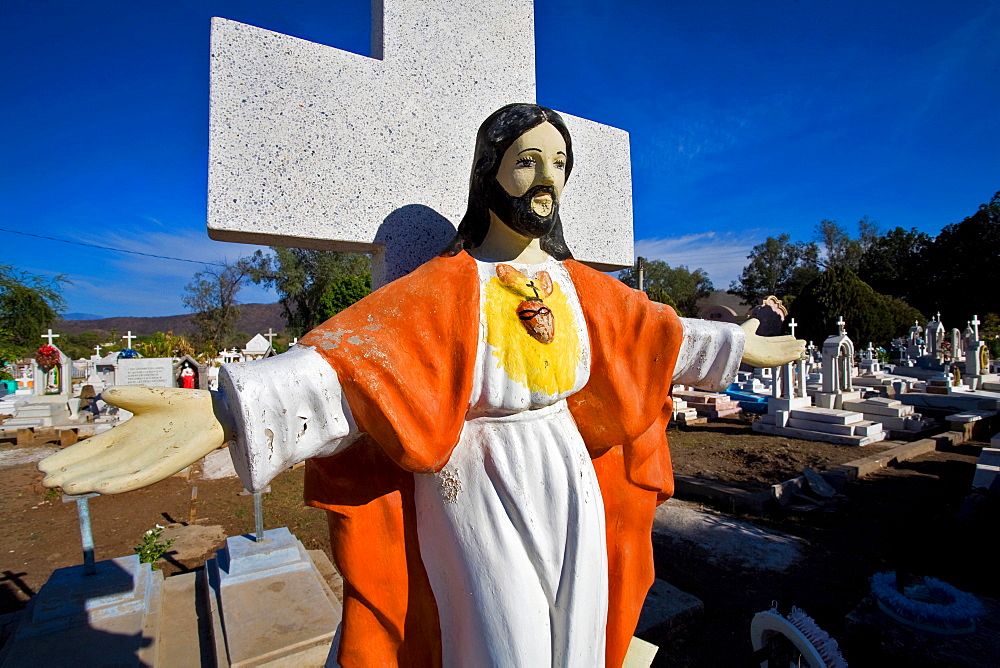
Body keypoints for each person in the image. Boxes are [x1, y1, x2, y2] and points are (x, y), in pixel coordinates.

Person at [41, 104, 803, 667]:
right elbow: (352, 366)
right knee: (504, 645)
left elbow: (657, 333)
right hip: (477, 478)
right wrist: (220, 413)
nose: (547, 180)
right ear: (491, 171)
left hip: (567, 467)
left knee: (577, 636)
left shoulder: (578, 286)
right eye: (528, 161)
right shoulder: (447, 286)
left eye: (558, 164)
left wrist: (738, 342)